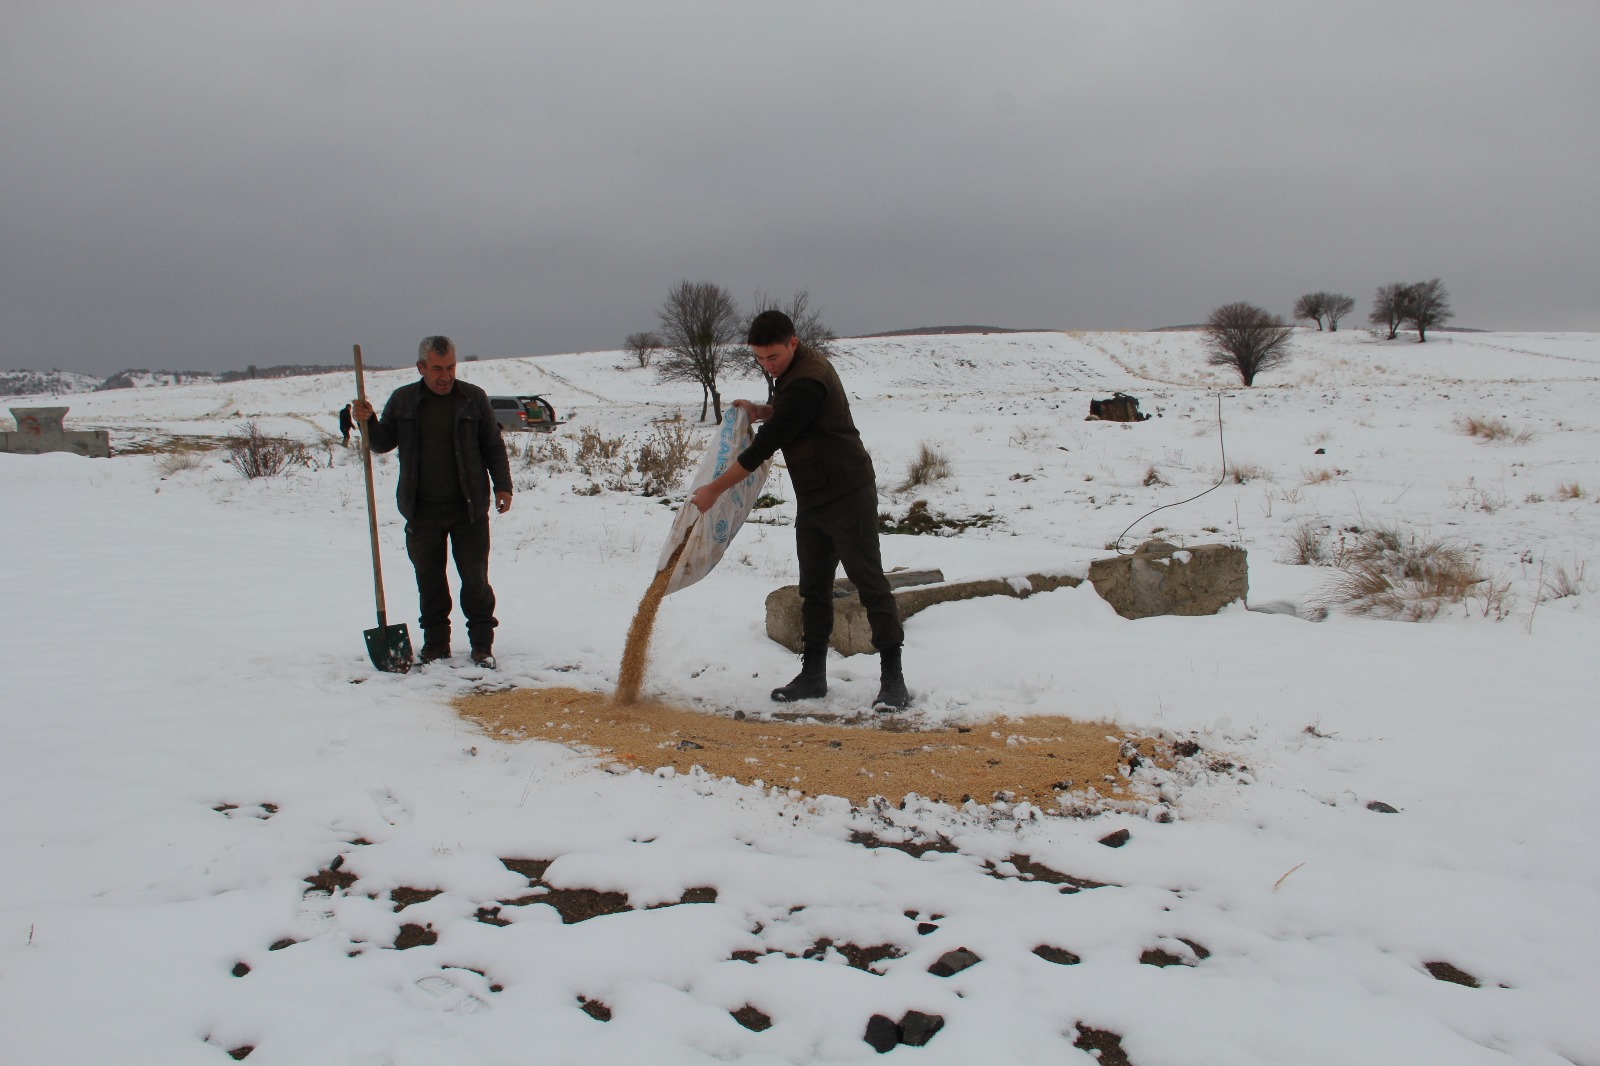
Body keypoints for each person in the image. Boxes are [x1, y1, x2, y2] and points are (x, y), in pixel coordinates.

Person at [690, 310, 909, 711]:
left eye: (772, 357)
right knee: (813, 588)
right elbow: (792, 415)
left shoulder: (808, 378)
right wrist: (761, 409)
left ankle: (893, 679)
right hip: (814, 496)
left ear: (793, 342)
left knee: (869, 583)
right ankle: (813, 675)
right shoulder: (794, 374)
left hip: (847, 493)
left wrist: (713, 491)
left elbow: (763, 448)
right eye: (759, 358)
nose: (767, 366)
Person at [350, 335, 512, 668]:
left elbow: (492, 446)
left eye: (450, 367)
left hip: (468, 509)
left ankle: (482, 645)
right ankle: (437, 644)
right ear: (421, 367)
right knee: (430, 582)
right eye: (437, 368)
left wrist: (503, 487)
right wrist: (366, 421)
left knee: (476, 580)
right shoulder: (404, 400)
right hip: (421, 510)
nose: (445, 375)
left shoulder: (473, 399)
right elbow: (381, 444)